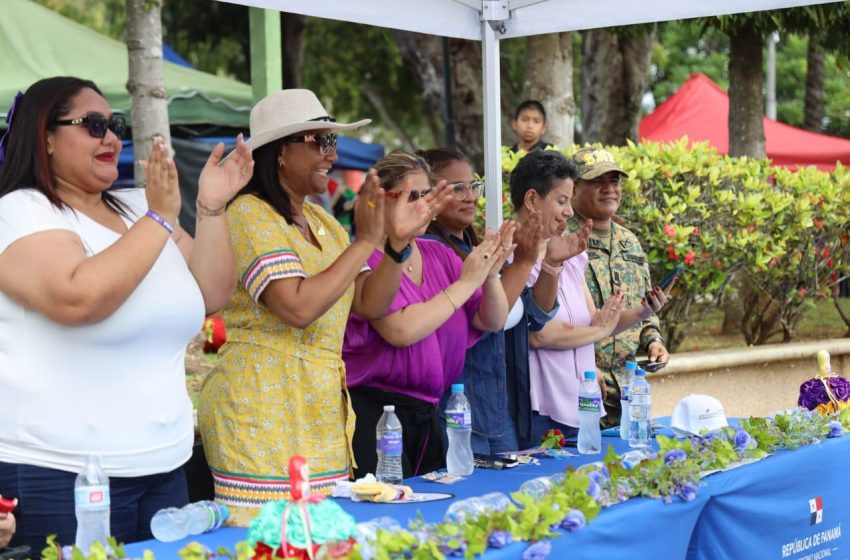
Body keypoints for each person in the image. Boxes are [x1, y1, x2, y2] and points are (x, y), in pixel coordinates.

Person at [0, 76, 252, 549]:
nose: (113, 137)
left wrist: (212, 207)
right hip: (59, 473)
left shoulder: (140, 207)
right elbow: (77, 298)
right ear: (45, 137)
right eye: (93, 125)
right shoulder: (20, 212)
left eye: (115, 124)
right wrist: (160, 219)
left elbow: (213, 292)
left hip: (163, 467)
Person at [197, 91, 446, 526]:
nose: (332, 154)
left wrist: (396, 246)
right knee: (268, 540)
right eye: (321, 141)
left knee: (325, 537)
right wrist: (368, 241)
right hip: (258, 412)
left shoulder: (324, 222)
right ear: (280, 152)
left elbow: (370, 302)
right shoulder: (248, 215)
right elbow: (295, 307)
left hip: (318, 411)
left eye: (334, 142)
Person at [343, 150, 511, 478]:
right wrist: (466, 282)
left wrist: (489, 271)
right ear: (379, 201)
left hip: (429, 409)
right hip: (378, 413)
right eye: (412, 196)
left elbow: (491, 320)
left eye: (427, 195)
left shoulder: (436, 252)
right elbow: (400, 330)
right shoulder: (362, 259)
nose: (422, 206)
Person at [508, 151, 668, 446]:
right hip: (543, 410)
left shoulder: (569, 254)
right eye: (561, 201)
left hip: (583, 405)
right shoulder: (511, 258)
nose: (568, 213)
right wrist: (599, 331)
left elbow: (596, 321)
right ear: (532, 200)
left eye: (568, 202)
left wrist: (642, 312)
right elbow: (538, 335)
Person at [418, 147, 568, 455]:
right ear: (428, 194)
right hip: (458, 408)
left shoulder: (474, 244)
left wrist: (550, 264)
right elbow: (487, 320)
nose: (470, 196)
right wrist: (523, 262)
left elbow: (530, 315)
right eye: (457, 188)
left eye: (473, 186)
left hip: (496, 405)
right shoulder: (431, 249)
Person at [565, 146, 673, 427]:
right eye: (597, 181)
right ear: (573, 188)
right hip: (583, 390)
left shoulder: (629, 241)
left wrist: (654, 341)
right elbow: (554, 321)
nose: (609, 189)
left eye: (614, 181)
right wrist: (585, 366)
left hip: (628, 394)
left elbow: (645, 306)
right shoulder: (563, 240)